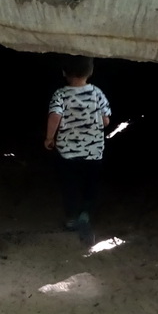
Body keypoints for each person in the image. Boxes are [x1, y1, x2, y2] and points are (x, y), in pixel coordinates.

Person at [44, 55, 111, 240]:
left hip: (68, 153)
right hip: (94, 153)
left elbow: (54, 117)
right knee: (91, 185)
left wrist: (49, 137)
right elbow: (106, 121)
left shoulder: (60, 95)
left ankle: (72, 218)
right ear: (90, 72)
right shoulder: (97, 93)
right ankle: (86, 214)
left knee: (69, 185)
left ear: (64, 72)